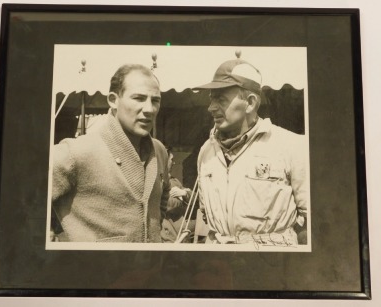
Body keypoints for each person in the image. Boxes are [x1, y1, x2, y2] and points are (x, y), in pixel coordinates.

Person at [193, 58, 308, 245]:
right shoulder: (207, 152)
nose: (211, 107)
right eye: (211, 99)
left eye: (220, 99)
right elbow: (207, 217)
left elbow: (310, 221)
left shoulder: (291, 146)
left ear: (250, 103)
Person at [51, 64, 170, 243]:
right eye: (139, 98)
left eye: (155, 100)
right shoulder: (77, 151)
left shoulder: (159, 150)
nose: (149, 109)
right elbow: (25, 197)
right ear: (113, 100)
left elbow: (162, 200)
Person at [161, 147, 196, 243]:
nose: (174, 163)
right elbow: (167, 205)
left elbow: (195, 200)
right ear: (164, 161)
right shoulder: (159, 181)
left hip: (181, 228)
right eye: (171, 159)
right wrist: (183, 200)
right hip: (168, 232)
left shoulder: (174, 180)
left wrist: (185, 193)